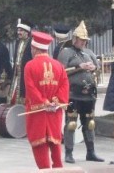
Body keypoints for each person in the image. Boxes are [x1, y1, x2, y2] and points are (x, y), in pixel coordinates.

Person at [57, 21, 103, 163]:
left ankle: (91, 152)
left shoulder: (89, 52)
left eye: (85, 40)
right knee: (71, 123)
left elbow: (98, 67)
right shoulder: (66, 52)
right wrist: (79, 66)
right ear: (75, 39)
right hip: (73, 93)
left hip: (89, 94)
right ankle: (69, 153)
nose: (83, 42)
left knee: (90, 123)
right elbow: (60, 71)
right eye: (81, 40)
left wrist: (93, 68)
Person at [24, 31, 69, 169]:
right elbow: (65, 85)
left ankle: (45, 171)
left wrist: (44, 102)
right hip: (54, 111)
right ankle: (58, 169)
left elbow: (31, 89)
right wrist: (57, 101)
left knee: (40, 145)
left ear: (35, 48)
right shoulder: (58, 66)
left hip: (38, 111)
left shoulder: (29, 66)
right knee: (55, 143)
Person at [9, 19, 33, 105]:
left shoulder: (31, 43)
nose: (18, 32)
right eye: (18, 30)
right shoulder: (18, 42)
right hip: (16, 74)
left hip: (26, 74)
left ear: (27, 32)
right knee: (13, 98)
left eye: (21, 30)